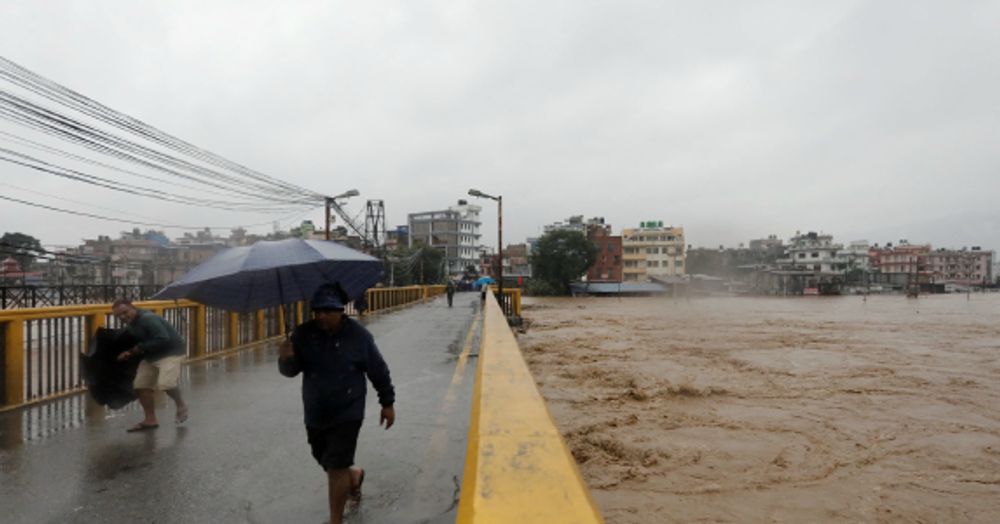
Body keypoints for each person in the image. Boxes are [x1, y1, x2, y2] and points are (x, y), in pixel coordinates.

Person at [278, 283, 396, 524]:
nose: (321, 316)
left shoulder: (359, 337)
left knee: (336, 466)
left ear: (341, 310)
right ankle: (354, 477)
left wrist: (387, 403)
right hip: (315, 411)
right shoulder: (303, 334)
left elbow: (378, 371)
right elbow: (290, 372)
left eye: (327, 311)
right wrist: (285, 357)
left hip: (348, 410)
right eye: (317, 311)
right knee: (324, 459)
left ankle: (335, 519)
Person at [111, 299, 189, 432]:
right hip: (152, 355)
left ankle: (181, 405)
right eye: (119, 316)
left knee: (166, 384)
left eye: (125, 312)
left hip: (171, 352)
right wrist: (128, 353)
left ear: (132, 307)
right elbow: (139, 341)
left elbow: (162, 338)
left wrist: (137, 349)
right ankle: (150, 419)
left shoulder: (148, 319)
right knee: (141, 385)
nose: (123, 317)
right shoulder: (131, 324)